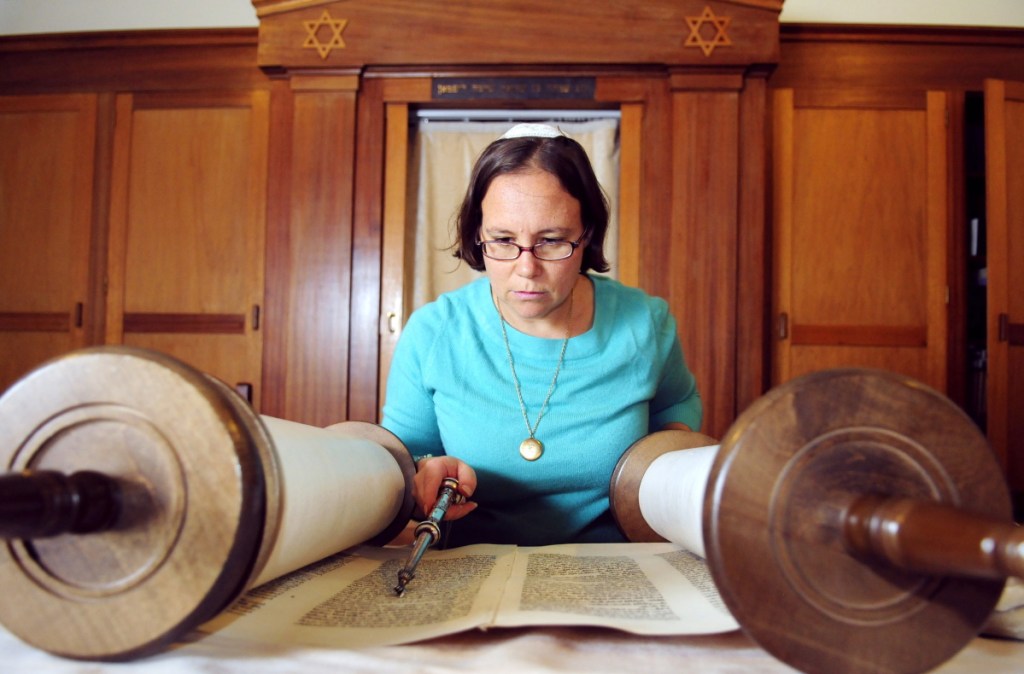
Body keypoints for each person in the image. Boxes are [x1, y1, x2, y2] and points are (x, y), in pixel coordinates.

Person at [381, 122, 701, 547]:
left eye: (551, 241)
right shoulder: (434, 332)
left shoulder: (645, 322)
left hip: (615, 568)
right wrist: (425, 473)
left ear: (586, 234)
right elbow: (406, 456)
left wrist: (670, 461)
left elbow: (678, 403)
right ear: (478, 234)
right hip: (468, 568)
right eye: (503, 239)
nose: (526, 268)